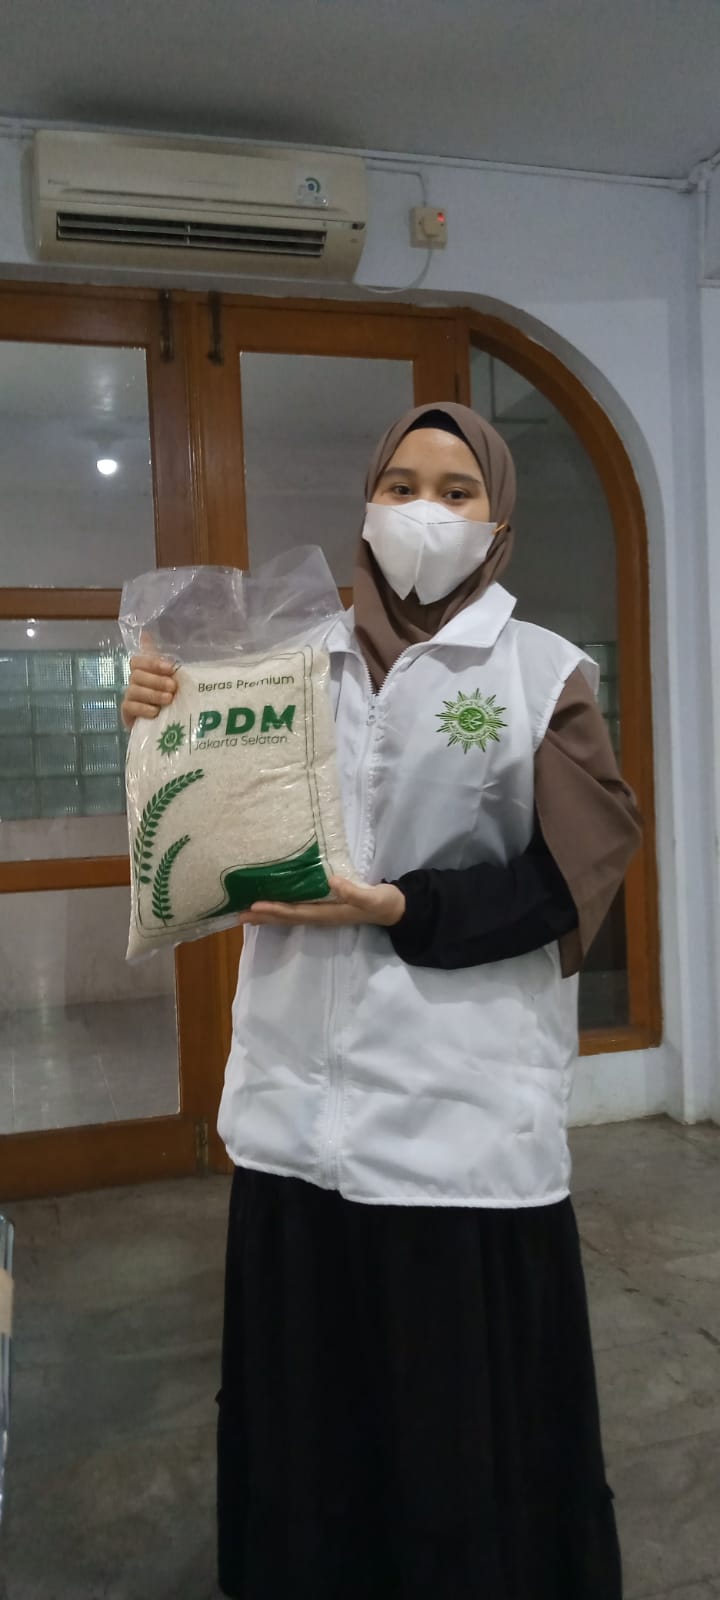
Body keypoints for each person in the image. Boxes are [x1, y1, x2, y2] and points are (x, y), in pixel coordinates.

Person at [122, 402, 641, 1600]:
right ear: (366, 503)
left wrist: (404, 906)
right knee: (313, 1422)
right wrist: (160, 722)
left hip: (458, 1117)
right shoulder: (284, 661)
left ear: (497, 519)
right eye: (401, 483)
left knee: (456, 1430)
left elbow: (574, 874)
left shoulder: (540, 671)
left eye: (457, 490)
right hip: (295, 1110)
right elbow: (203, 827)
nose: (424, 511)